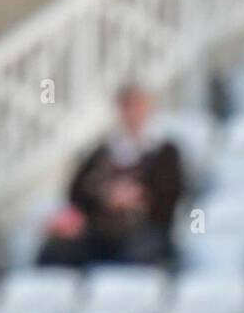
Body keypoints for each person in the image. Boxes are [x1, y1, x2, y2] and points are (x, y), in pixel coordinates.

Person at [36, 84, 184, 268]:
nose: (132, 113)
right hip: (100, 231)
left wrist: (138, 196)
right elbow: (77, 191)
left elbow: (172, 193)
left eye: (137, 106)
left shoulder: (165, 151)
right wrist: (106, 196)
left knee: (136, 256)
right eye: (127, 107)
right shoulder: (102, 152)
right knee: (54, 252)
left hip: (146, 230)